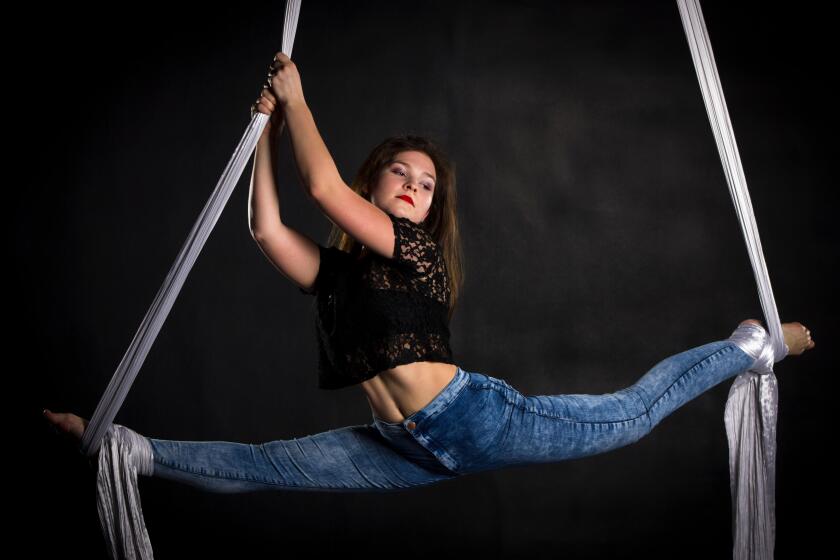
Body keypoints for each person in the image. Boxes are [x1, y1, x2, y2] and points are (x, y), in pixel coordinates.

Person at [43, 52, 815, 493]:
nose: (415, 186)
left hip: (476, 418)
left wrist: (297, 99)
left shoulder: (412, 248)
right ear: (375, 180)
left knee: (634, 412)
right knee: (264, 467)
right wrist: (268, 131)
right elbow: (267, 228)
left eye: (427, 184)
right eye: (401, 173)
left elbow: (323, 189)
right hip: (403, 448)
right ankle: (126, 448)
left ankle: (752, 344)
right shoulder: (340, 275)